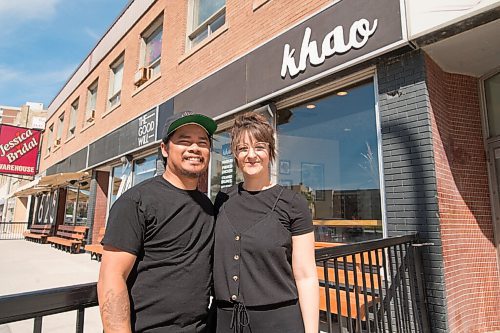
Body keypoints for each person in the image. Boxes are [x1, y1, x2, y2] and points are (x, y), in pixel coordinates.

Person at [97, 111, 217, 333]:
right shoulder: (135, 202)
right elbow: (111, 278)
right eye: (184, 141)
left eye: (202, 142)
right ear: (164, 148)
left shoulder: (208, 206)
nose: (195, 148)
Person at [213, 112, 319, 333]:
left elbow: (306, 275)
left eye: (259, 147)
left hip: (278, 323)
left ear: (270, 152)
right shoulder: (222, 200)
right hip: (226, 322)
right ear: (235, 155)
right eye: (243, 149)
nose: (251, 155)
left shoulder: (293, 203)